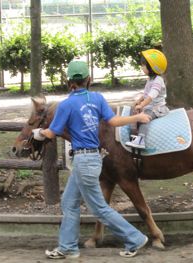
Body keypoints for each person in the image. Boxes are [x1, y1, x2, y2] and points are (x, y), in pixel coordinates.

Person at [32, 60, 150, 259]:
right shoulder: (97, 98)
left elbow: (52, 133)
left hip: (83, 161)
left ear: (69, 82)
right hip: (92, 159)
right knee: (69, 202)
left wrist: (39, 133)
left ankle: (136, 238)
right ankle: (68, 247)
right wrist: (136, 119)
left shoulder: (66, 104)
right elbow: (113, 121)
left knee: (99, 208)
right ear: (89, 79)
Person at [125, 49, 169, 149]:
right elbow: (146, 94)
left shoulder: (158, 80)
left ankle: (141, 140)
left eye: (143, 65)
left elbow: (151, 96)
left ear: (152, 66)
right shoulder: (150, 79)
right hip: (149, 106)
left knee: (144, 118)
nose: (142, 67)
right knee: (133, 111)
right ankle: (133, 134)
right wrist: (139, 100)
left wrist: (142, 105)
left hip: (157, 108)